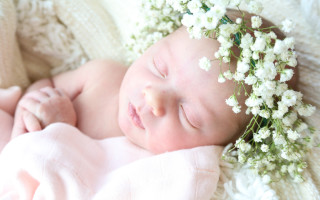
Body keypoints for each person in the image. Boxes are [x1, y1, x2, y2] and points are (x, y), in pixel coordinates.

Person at [2, 14, 297, 154]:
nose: (153, 97)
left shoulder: (156, 170)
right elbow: (46, 84)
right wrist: (37, 108)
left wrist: (57, 135)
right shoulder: (102, 76)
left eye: (189, 116)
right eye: (159, 68)